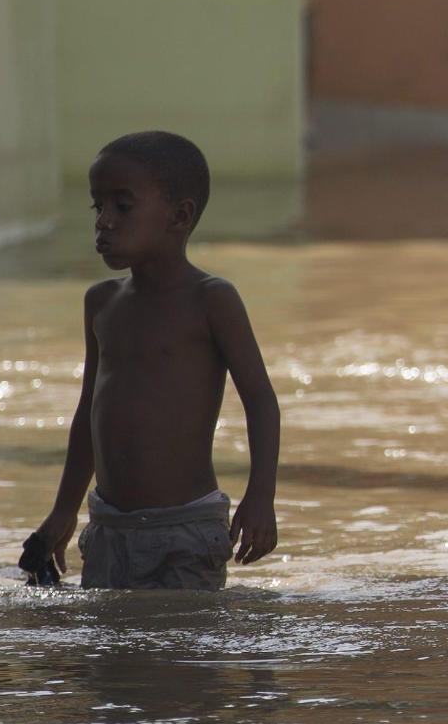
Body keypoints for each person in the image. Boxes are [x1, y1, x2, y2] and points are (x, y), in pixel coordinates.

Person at [21, 131, 280, 589]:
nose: (103, 221)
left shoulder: (210, 300)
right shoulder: (101, 303)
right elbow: (89, 415)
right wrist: (64, 511)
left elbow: (260, 400)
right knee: (112, 655)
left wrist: (261, 497)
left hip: (186, 530)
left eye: (122, 206)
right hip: (108, 528)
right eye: (96, 206)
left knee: (179, 651)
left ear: (180, 216)